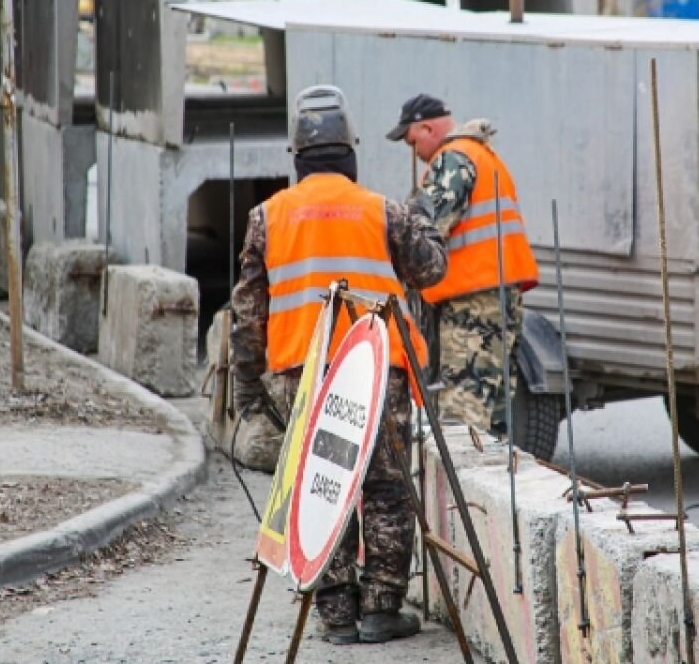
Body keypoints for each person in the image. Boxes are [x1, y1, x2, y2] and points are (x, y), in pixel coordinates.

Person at [230, 85, 446, 645]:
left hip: (305, 376)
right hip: (378, 371)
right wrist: (424, 219)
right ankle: (380, 608)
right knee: (386, 489)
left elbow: (247, 311)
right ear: (349, 151)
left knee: (319, 485)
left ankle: (336, 616)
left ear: (297, 158)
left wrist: (247, 388)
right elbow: (432, 271)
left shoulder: (266, 217)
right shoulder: (384, 211)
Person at [386, 94, 539, 431]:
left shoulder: (453, 160)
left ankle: (463, 483)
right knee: (493, 413)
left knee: (462, 415)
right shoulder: (484, 156)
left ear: (426, 127)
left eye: (413, 143)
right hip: (499, 298)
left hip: (472, 305)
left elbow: (425, 232)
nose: (417, 154)